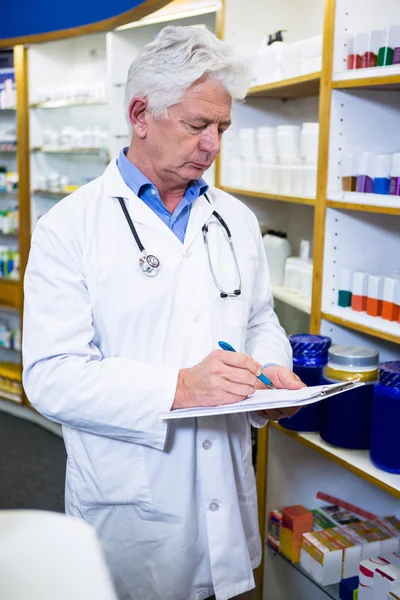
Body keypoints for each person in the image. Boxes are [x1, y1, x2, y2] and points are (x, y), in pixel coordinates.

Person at [22, 25, 304, 600]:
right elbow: (50, 376)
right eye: (197, 125)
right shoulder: (69, 229)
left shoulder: (236, 220)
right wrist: (178, 387)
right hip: (133, 513)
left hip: (226, 497)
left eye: (222, 127)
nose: (213, 146)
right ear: (140, 114)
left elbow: (258, 320)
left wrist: (268, 370)